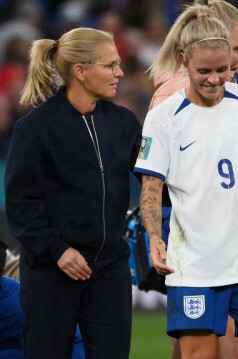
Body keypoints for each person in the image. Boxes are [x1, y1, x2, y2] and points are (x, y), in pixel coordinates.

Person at [134, 5, 238, 359]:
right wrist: (155, 238)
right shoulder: (164, 118)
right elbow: (150, 189)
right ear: (183, 61)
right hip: (193, 265)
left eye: (222, 69)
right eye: (203, 70)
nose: (213, 78)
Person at [4, 27, 141, 359]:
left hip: (110, 268)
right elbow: (21, 204)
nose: (119, 73)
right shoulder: (34, 128)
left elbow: (156, 180)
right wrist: (58, 250)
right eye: (110, 65)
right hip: (52, 270)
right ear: (80, 71)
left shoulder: (125, 122)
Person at [146, 2, 238, 358]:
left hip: (227, 230)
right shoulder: (174, 97)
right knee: (218, 345)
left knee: (201, 344)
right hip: (192, 233)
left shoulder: (232, 94)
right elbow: (160, 178)